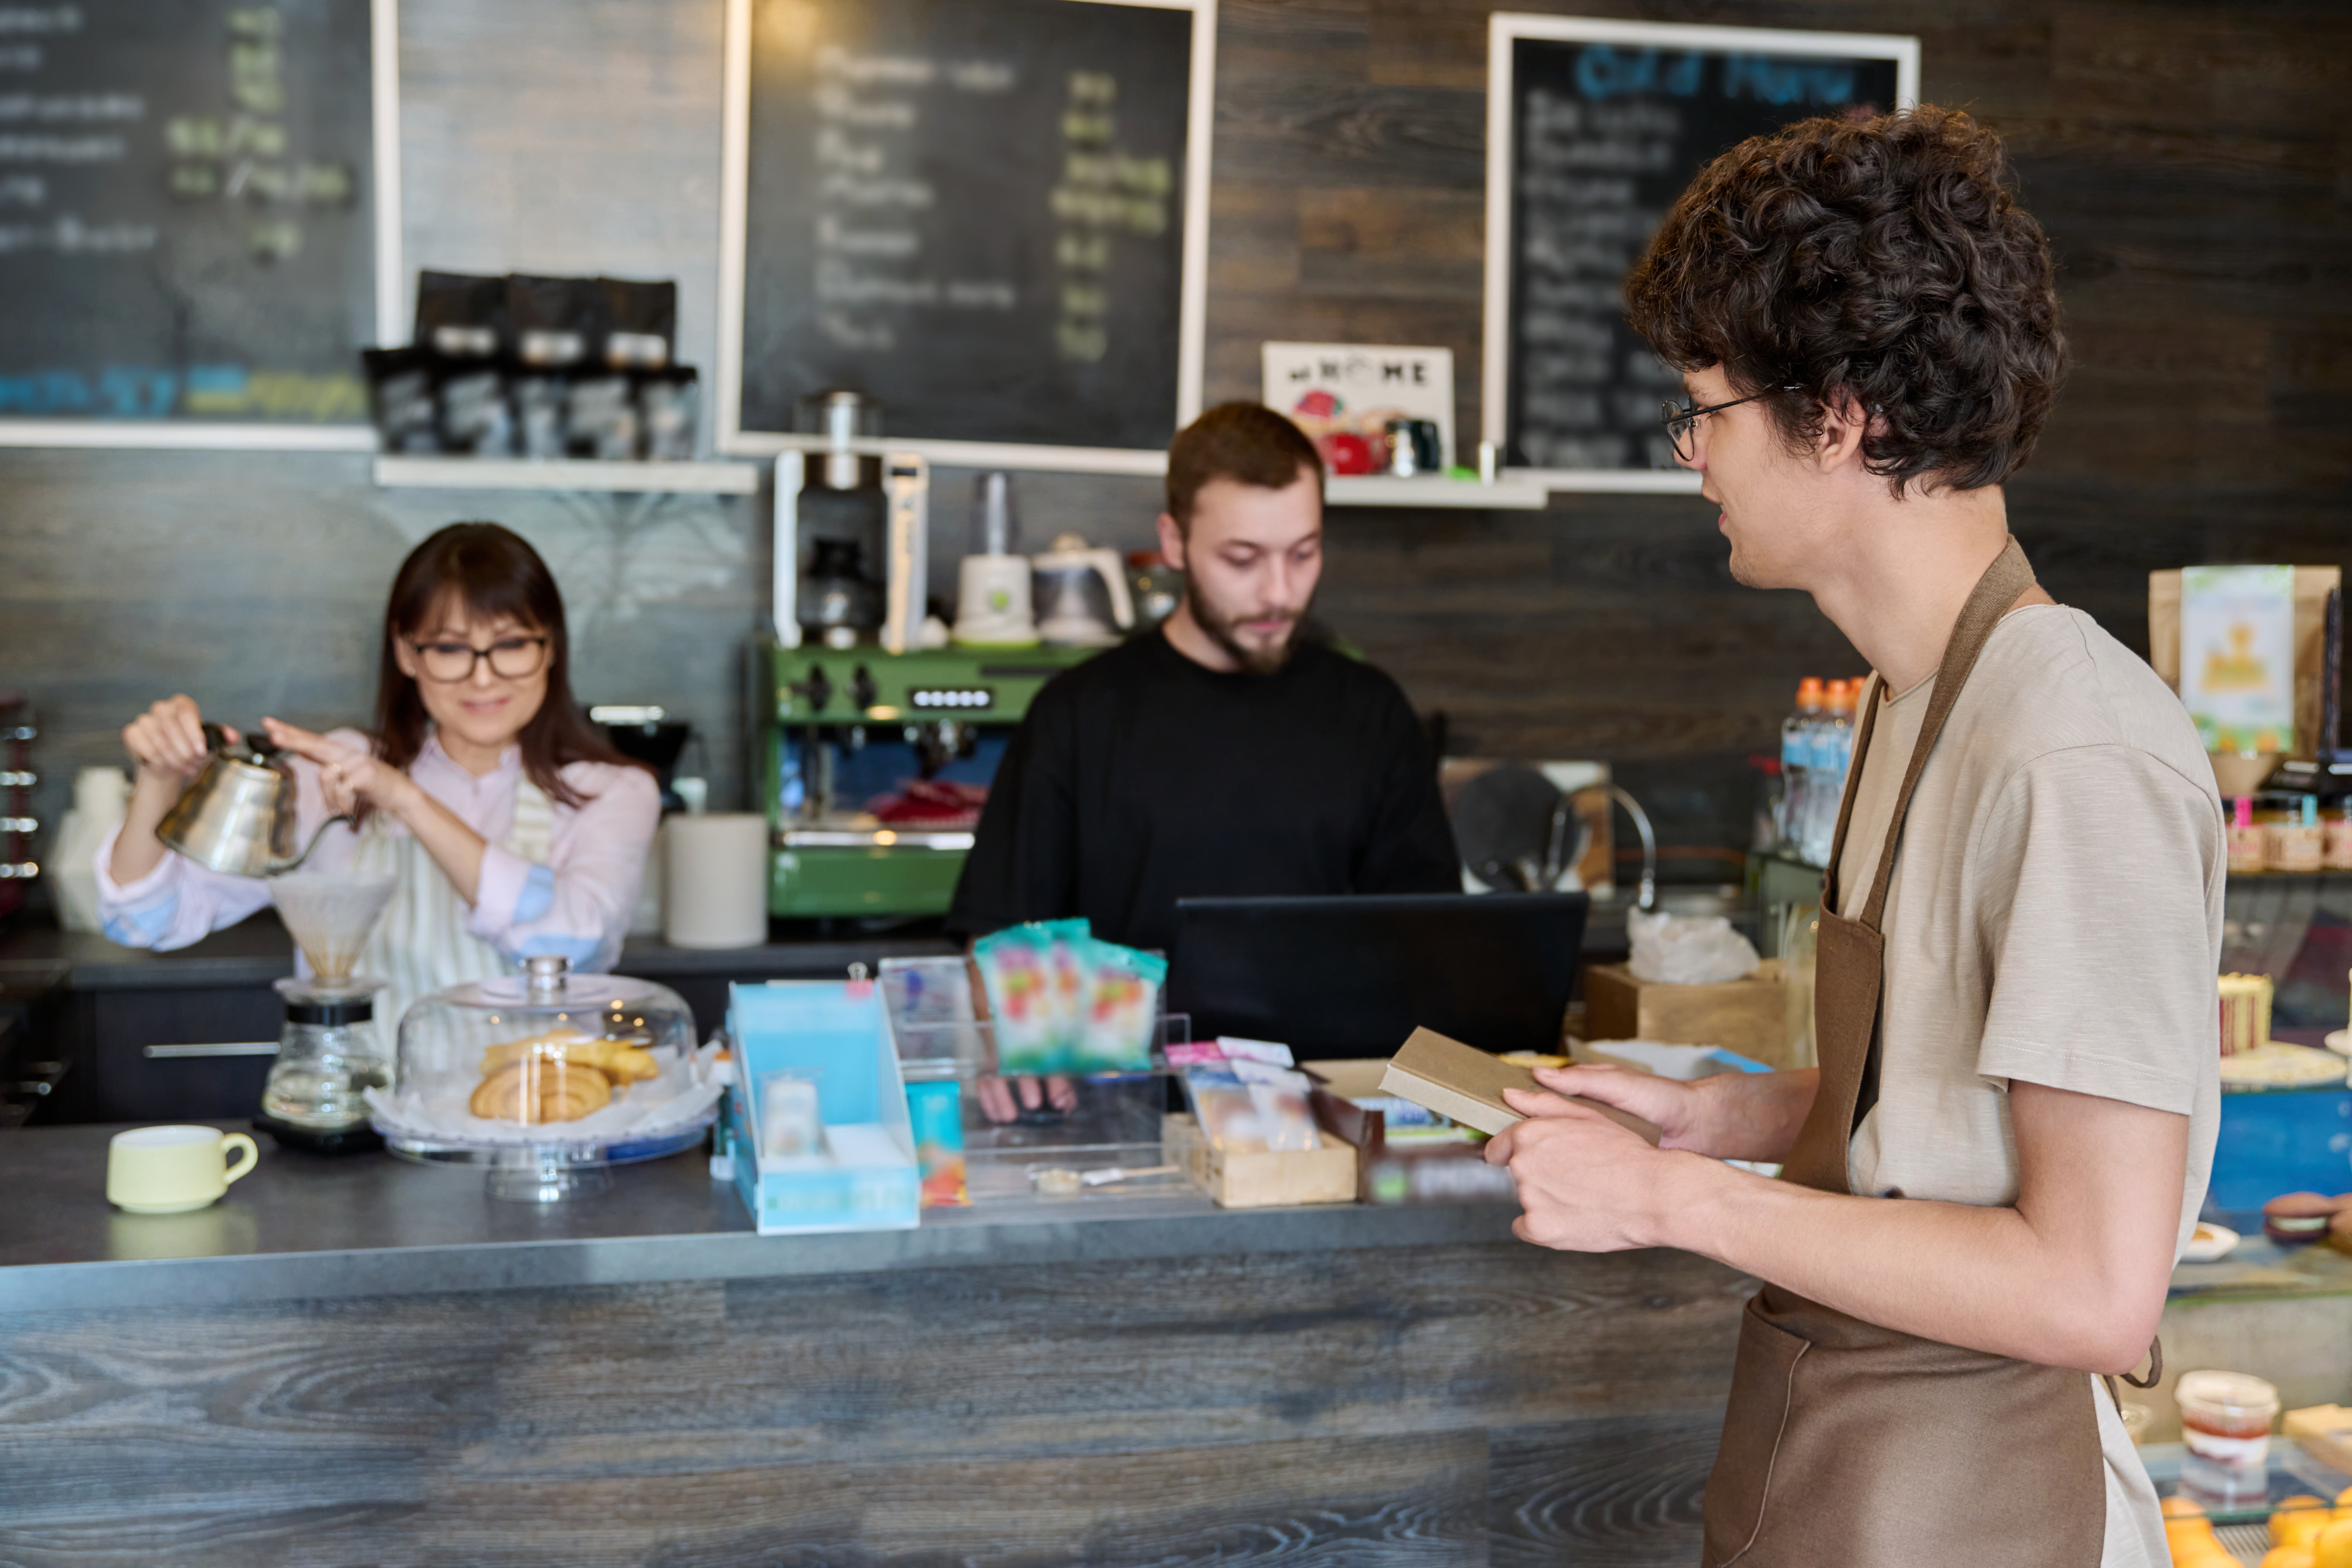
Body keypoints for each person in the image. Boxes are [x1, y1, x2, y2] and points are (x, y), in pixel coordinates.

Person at [1486, 108, 2220, 1568]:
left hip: (1989, 1499)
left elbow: (2089, 1289)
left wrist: (1669, 1199)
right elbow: (1943, 1097)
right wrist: (1714, 1116)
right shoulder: (1914, 697)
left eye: (1705, 405)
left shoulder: (2077, 745)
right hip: (1854, 1457)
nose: (1690, 452)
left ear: (1834, 415)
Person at [949, 401, 1461, 1118]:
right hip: (1123, 1123)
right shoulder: (1078, 713)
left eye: (1303, 553)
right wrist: (1014, 1036)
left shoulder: (1370, 713)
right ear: (1173, 541)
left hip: (1323, 1121)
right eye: (1241, 559)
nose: (1278, 592)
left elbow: (1429, 945)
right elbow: (1003, 935)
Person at [99, 522, 661, 1032]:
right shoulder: (333, 774)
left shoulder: (611, 791)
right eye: (449, 648)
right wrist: (158, 779)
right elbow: (146, 919)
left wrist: (406, 800)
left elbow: (567, 948)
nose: (483, 678)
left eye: (512, 645)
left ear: (551, 649)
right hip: (366, 1125)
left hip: (545, 1125)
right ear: (406, 653)